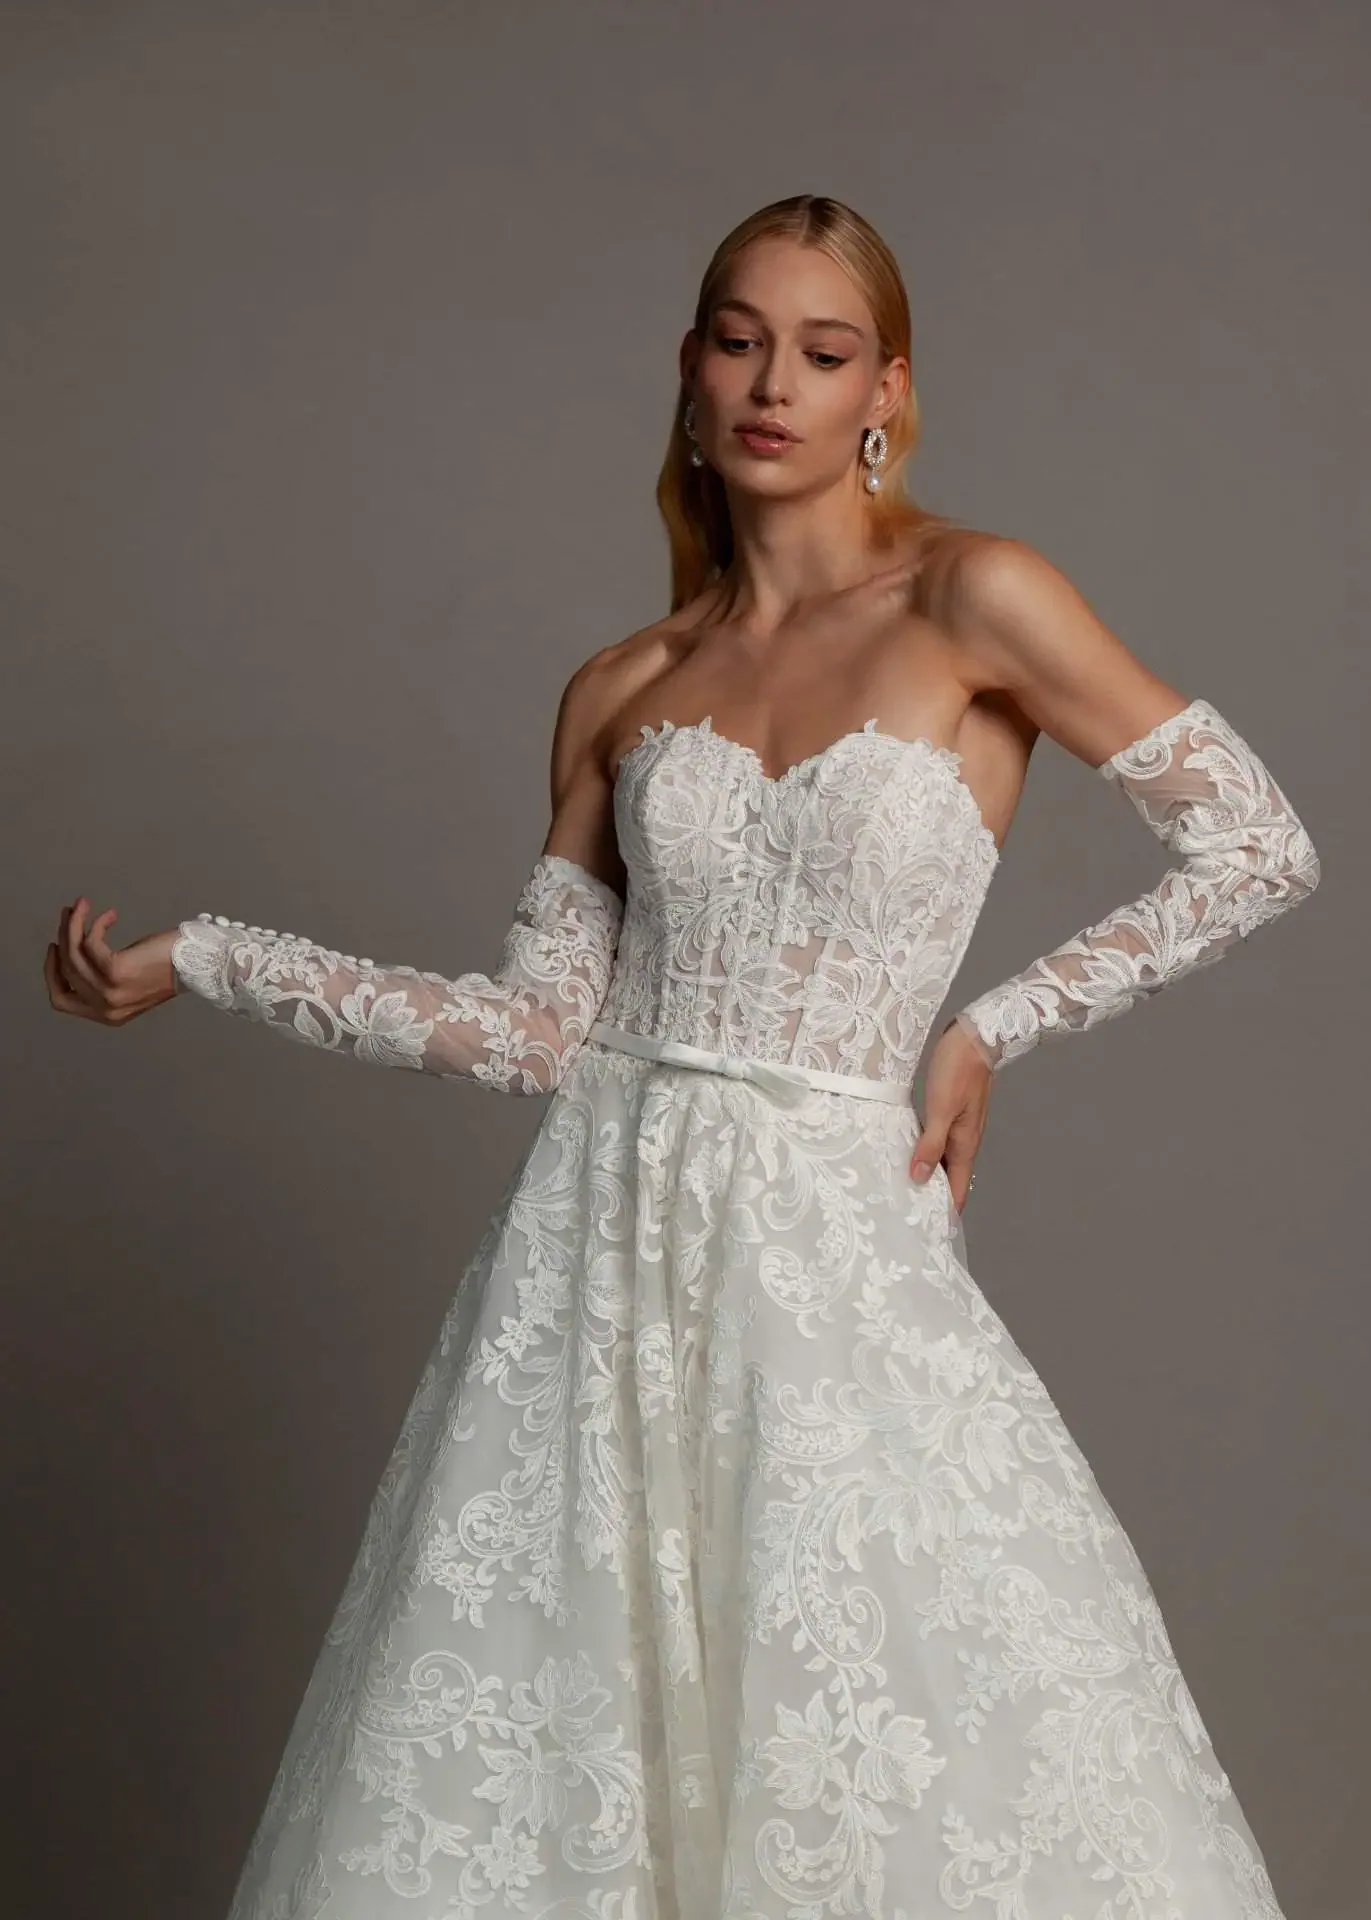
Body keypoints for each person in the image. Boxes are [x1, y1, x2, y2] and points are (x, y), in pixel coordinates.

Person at [47, 194, 1318, 1919]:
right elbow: (532, 1035)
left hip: (829, 1249)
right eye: (739, 341)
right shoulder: (622, 686)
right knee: (573, 1755)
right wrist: (209, 958)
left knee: (865, 1729)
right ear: (690, 369)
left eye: (822, 350)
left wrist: (991, 1025)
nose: (774, 384)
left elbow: (1254, 845)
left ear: (885, 390)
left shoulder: (975, 597)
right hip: (594, 1258)